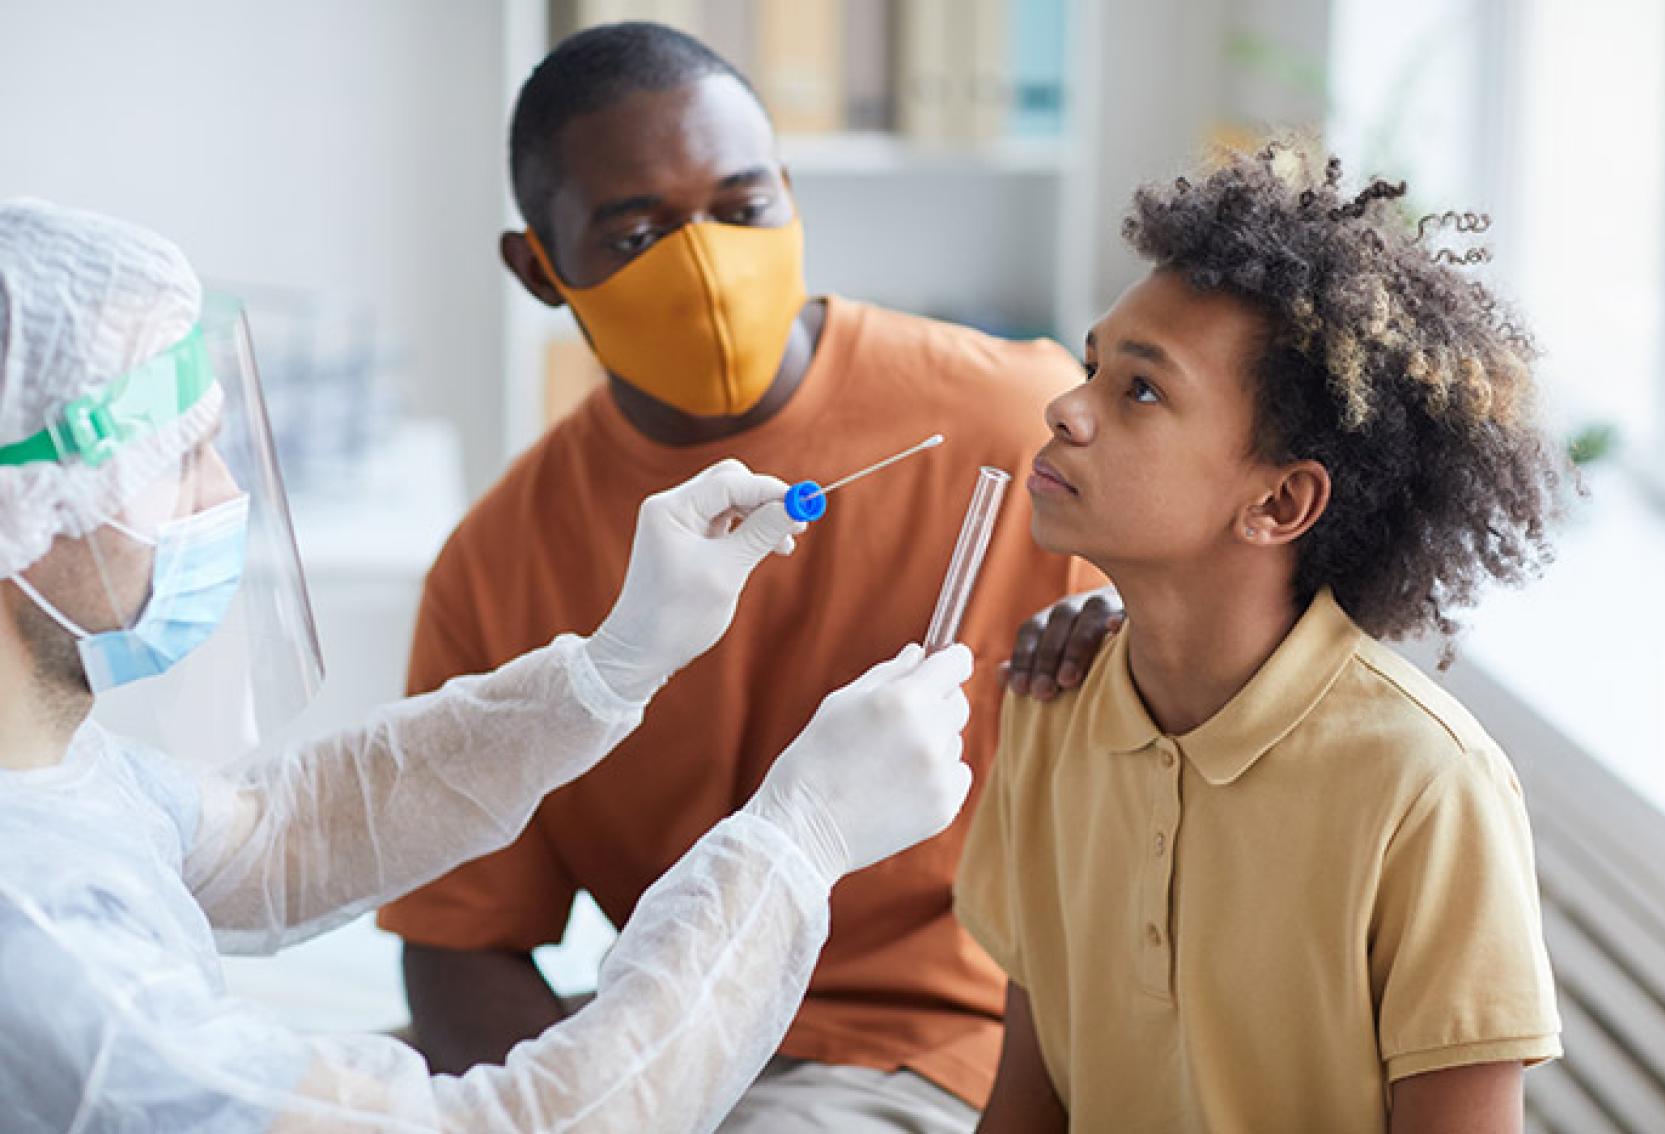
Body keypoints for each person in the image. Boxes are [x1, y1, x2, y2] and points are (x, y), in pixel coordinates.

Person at [0, 199, 982, 1133]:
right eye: (173, 458)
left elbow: (276, 835)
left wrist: (614, 666)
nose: (223, 494)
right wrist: (798, 837)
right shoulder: (47, 957)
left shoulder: (49, 776)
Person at [375, 22, 1099, 1128]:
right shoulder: (500, 558)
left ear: (791, 197)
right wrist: (592, 1100)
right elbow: (456, 946)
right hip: (660, 1039)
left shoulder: (1013, 435)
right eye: (636, 230)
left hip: (929, 1046)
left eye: (742, 208)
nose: (706, 262)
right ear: (539, 268)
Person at [954, 142, 1569, 1132]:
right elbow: (1027, 1101)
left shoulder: (1424, 786)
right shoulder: (1050, 707)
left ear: (1278, 501)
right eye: (1091, 365)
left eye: (1139, 391)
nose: (1065, 409)